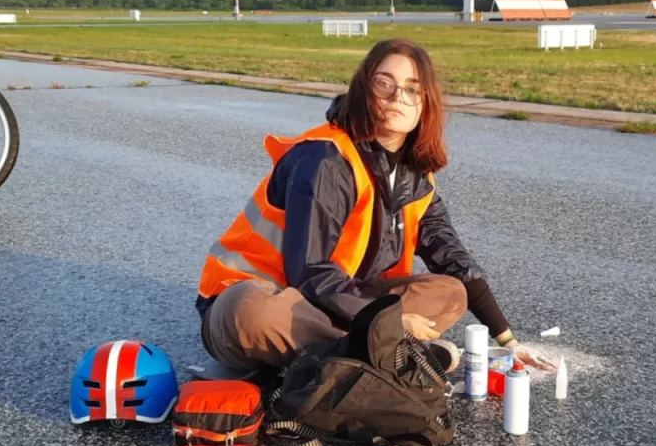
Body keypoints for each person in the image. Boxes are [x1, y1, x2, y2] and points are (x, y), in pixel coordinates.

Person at [195, 38, 553, 375]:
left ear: (425, 104)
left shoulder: (417, 177)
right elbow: (310, 272)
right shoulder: (325, 158)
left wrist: (507, 339)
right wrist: (389, 323)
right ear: (364, 90)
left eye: (412, 89)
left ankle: (355, 354)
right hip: (267, 298)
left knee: (449, 294)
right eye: (385, 83)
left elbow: (453, 259)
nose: (398, 96)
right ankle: (383, 354)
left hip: (340, 306)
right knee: (252, 312)